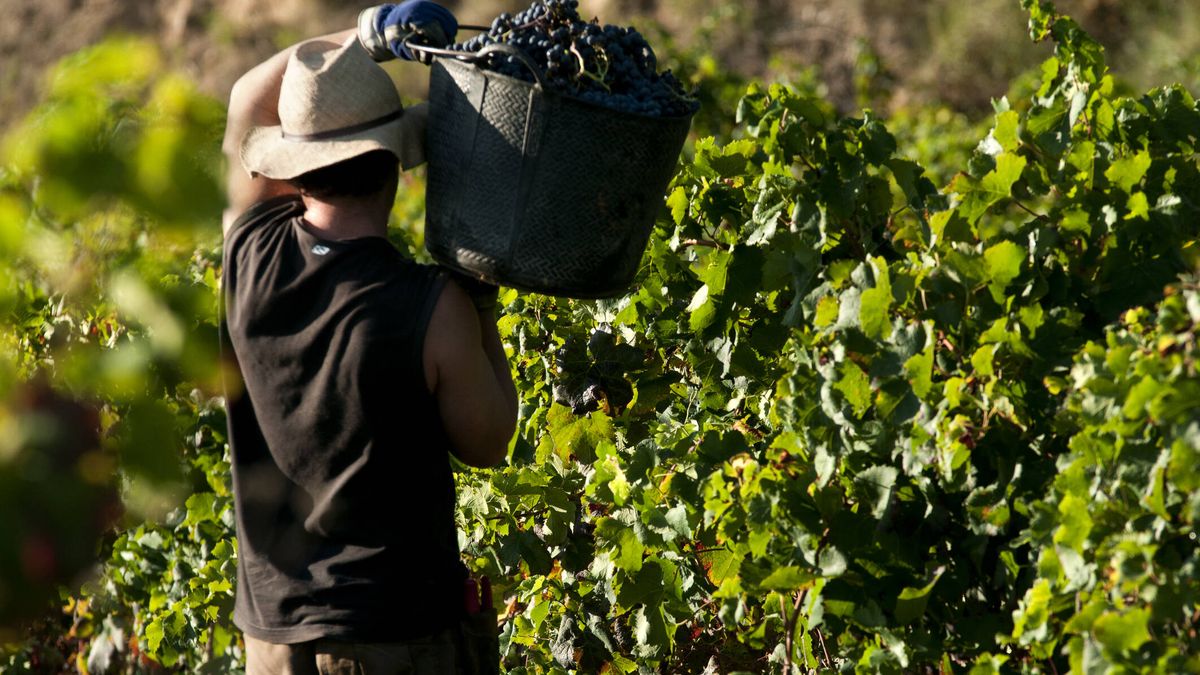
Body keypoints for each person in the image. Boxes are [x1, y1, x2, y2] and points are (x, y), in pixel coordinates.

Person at [218, 2, 518, 673]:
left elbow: (245, 99)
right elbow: (490, 439)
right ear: (395, 168)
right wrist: (484, 307)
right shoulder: (432, 305)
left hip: (272, 637)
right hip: (393, 635)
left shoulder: (248, 249)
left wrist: (362, 35)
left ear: (294, 169)